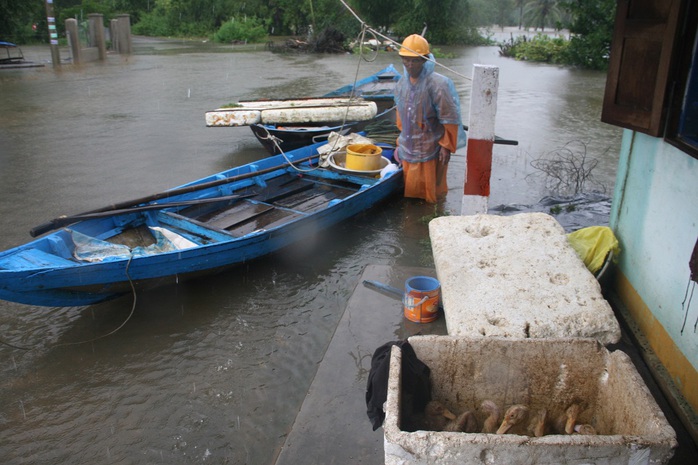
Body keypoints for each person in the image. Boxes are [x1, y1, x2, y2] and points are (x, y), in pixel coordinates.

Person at [393, 34, 466, 203]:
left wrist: (446, 146)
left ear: (425, 59)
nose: (410, 65)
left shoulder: (438, 84)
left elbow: (450, 117)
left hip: (432, 148)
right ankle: (415, 224)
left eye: (415, 60)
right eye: (406, 60)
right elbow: (401, 117)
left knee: (433, 194)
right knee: (412, 192)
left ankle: (435, 215)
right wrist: (401, 140)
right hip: (409, 148)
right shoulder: (401, 85)